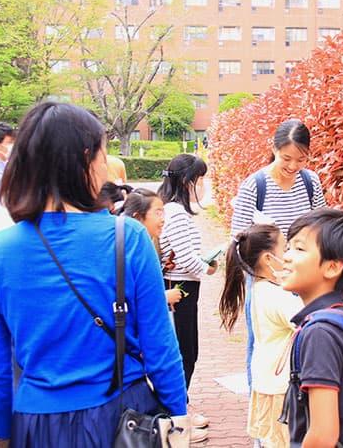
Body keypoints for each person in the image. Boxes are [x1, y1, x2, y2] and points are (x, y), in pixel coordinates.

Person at [0, 102, 188, 447]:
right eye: (104, 153)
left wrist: (2, 431)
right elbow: (160, 345)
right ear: (86, 157)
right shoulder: (127, 237)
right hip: (120, 419)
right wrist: (178, 417)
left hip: (36, 421)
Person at [230, 119, 327, 392]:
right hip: (266, 282)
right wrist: (265, 272)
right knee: (261, 347)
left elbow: (320, 226)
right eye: (287, 158)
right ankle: (261, 418)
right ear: (273, 149)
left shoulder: (310, 183)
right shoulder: (255, 185)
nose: (293, 166)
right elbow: (238, 239)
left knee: (302, 341)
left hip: (303, 277)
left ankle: (294, 409)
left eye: (301, 159)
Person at [278, 208, 343, 446]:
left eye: (299, 249)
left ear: (332, 267)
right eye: (288, 247)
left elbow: (323, 435)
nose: (286, 256)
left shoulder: (320, 333)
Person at [218, 224, 302, 448]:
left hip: (265, 380)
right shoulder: (278, 296)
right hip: (279, 388)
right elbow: (312, 324)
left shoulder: (260, 289)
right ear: (267, 258)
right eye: (285, 248)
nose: (290, 255)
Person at [158, 153, 216, 439]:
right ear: (187, 182)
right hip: (179, 288)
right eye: (201, 179)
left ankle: (180, 406)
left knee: (184, 349)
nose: (203, 185)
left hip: (181, 284)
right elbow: (186, 258)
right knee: (185, 352)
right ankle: (177, 412)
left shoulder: (171, 211)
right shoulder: (175, 213)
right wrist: (209, 267)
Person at [122, 190, 182, 309]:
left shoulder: (146, 243)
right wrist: (163, 297)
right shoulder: (126, 250)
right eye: (157, 213)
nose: (163, 219)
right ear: (138, 217)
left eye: (163, 213)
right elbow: (127, 295)